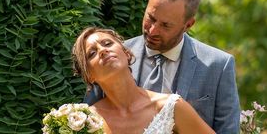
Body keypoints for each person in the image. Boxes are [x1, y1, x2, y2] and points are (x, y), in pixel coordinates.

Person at [85, 0, 240, 133]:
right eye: (150, 18)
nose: (152, 30)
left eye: (165, 25)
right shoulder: (114, 58)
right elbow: (90, 121)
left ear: (188, 24)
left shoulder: (218, 65)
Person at [72, 26, 215, 134]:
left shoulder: (171, 107)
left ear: (126, 53)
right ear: (89, 75)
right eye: (92, 53)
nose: (102, 51)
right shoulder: (85, 121)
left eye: (108, 44)